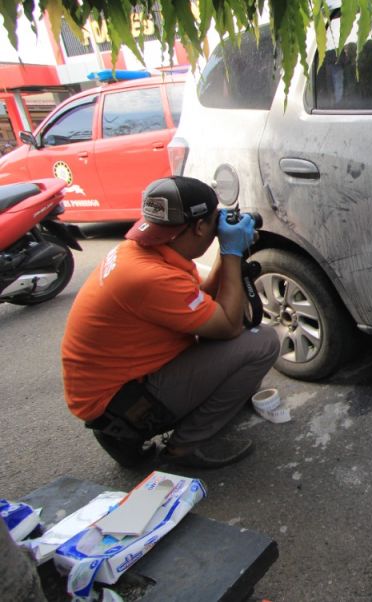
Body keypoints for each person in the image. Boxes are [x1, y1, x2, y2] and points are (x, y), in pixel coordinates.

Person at [61, 176, 280, 469]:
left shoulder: (143, 251)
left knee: (226, 337)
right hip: (122, 405)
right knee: (261, 341)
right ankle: (183, 448)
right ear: (200, 227)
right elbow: (227, 325)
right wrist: (231, 251)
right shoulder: (150, 278)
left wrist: (228, 251)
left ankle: (184, 415)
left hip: (118, 388)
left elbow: (200, 301)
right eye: (214, 221)